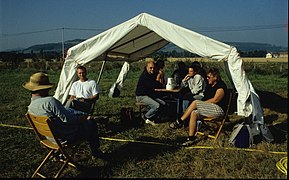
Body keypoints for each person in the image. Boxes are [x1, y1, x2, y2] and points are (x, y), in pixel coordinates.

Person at [23, 72, 103, 158]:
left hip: (49, 138)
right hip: (65, 137)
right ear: (43, 89)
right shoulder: (50, 101)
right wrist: (84, 118)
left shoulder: (30, 107)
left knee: (70, 110)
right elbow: (70, 120)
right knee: (91, 124)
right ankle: (96, 152)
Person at [169, 68, 227, 146]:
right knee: (194, 113)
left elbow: (215, 100)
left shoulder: (220, 86)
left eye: (209, 77)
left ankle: (180, 121)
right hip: (210, 108)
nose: (207, 78)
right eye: (207, 77)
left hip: (218, 110)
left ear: (215, 77)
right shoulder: (209, 86)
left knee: (196, 102)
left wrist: (201, 104)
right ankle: (191, 138)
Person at [135, 59, 166, 125]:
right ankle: (146, 117)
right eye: (150, 68)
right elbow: (155, 85)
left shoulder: (151, 74)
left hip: (148, 95)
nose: (152, 69)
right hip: (141, 96)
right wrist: (158, 77)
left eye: (153, 68)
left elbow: (160, 85)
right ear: (146, 67)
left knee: (163, 103)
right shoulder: (145, 76)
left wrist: (161, 76)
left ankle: (154, 117)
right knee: (157, 106)